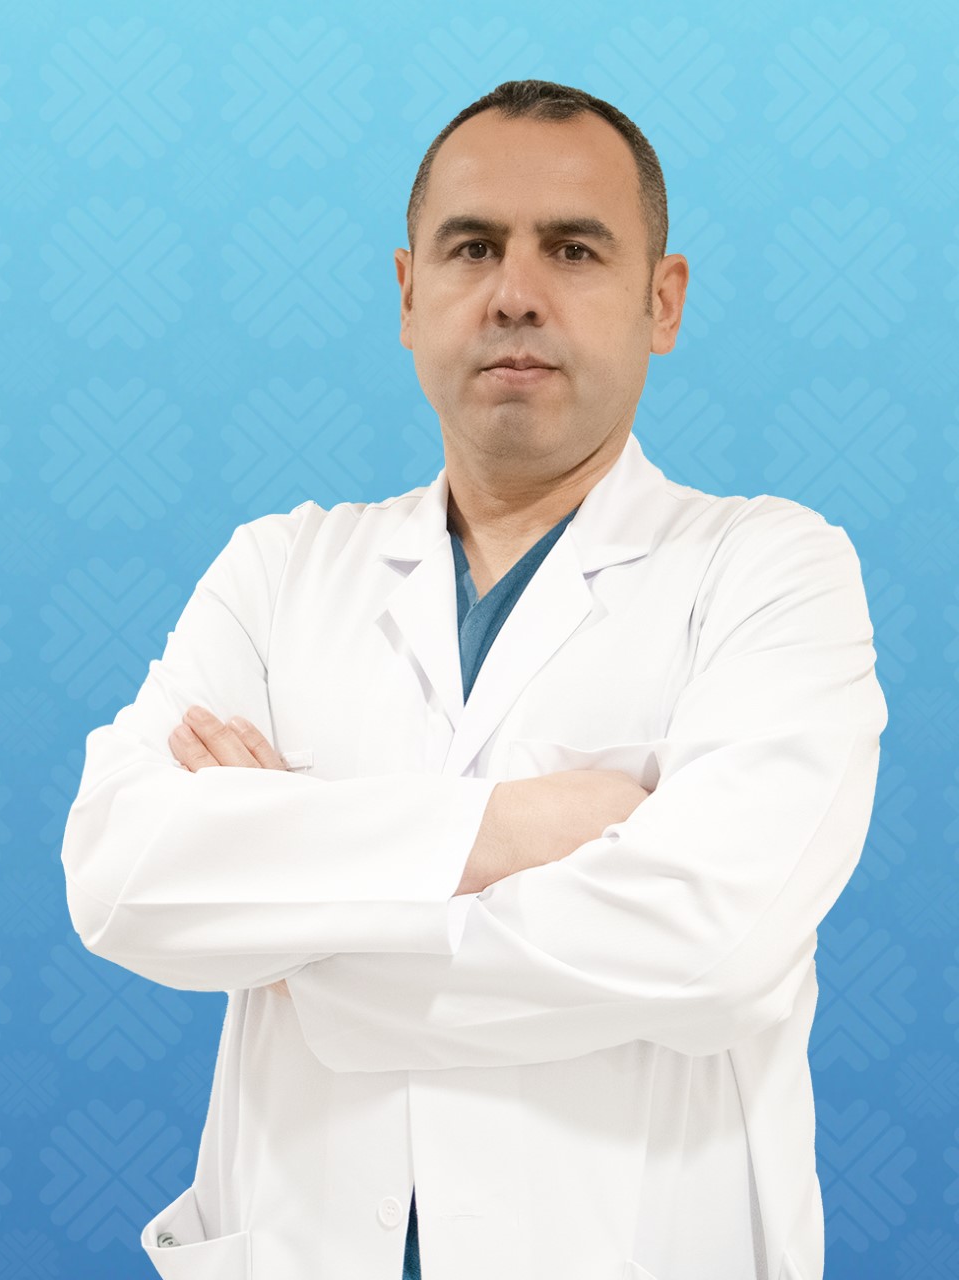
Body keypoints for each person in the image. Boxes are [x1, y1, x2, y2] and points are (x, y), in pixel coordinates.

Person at [60, 79, 887, 1280]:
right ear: (409, 294)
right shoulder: (281, 566)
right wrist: (516, 828)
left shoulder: (770, 566)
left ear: (662, 301)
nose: (515, 292)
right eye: (472, 247)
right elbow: (120, 871)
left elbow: (715, 943)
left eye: (574, 249)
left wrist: (295, 932)